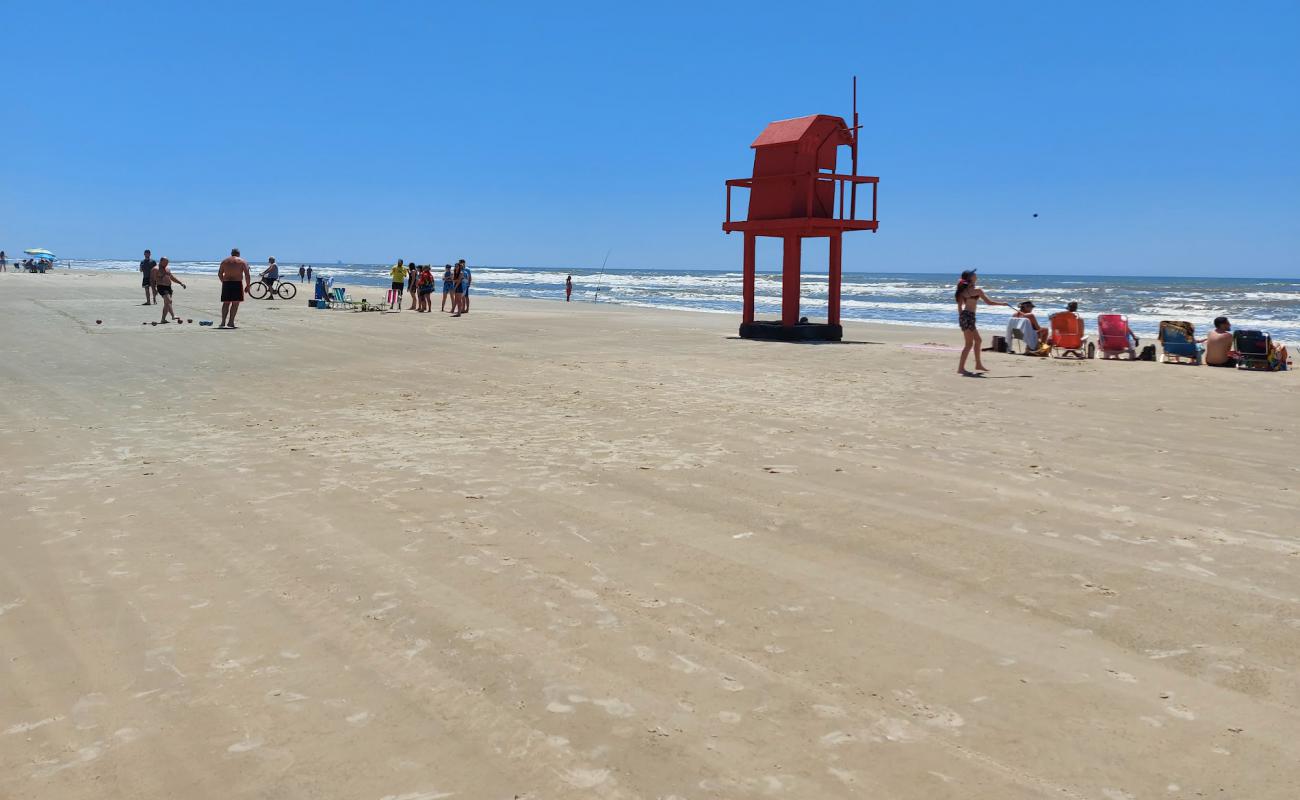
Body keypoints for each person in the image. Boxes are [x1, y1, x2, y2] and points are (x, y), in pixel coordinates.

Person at [954, 269, 1010, 375]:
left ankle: (978, 364)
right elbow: (989, 302)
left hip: (967, 317)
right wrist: (1003, 304)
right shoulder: (978, 291)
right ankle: (960, 368)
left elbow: (960, 308)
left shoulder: (963, 291)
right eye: (973, 274)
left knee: (978, 341)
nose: (976, 274)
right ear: (970, 278)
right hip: (968, 317)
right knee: (969, 344)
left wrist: (961, 319)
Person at [218, 248, 251, 329]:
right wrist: (248, 285)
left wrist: (223, 282)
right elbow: (247, 274)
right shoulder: (242, 261)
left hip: (227, 283)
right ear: (238, 254)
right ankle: (231, 322)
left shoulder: (224, 261)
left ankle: (223, 322)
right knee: (235, 304)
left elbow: (219, 274)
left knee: (226, 303)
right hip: (237, 283)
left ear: (231, 253)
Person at [151, 257, 187, 323]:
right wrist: (154, 290)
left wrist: (180, 283)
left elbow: (172, 277)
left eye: (167, 263)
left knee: (167, 303)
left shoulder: (167, 269)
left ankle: (165, 319)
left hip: (168, 287)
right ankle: (170, 316)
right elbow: (152, 280)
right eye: (165, 262)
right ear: (161, 261)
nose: (166, 264)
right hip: (161, 287)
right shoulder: (155, 269)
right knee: (169, 301)